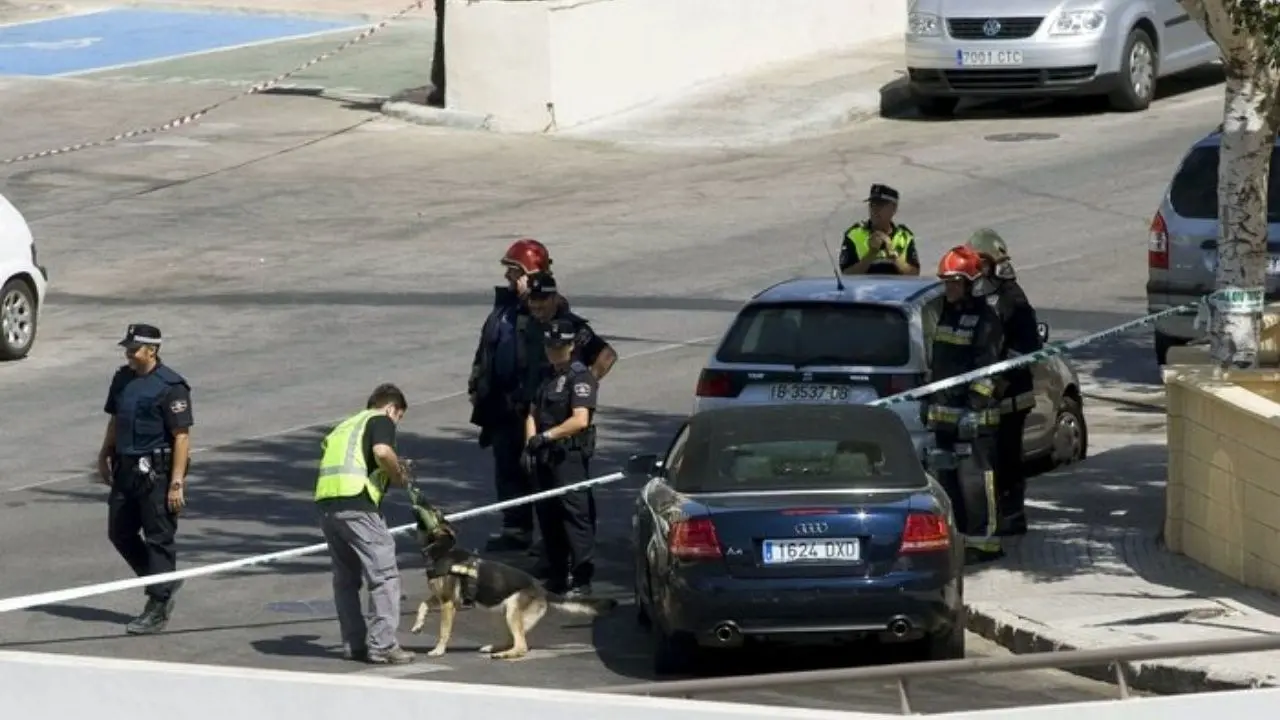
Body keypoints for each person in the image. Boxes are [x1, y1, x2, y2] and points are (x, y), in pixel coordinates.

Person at [97, 324, 193, 635]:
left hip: (158, 474)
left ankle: (158, 604)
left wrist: (177, 482)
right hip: (126, 469)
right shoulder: (122, 378)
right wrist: (103, 453)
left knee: (158, 538)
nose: (128, 353)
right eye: (127, 347)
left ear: (152, 350)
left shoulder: (171, 386)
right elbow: (115, 418)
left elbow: (181, 437)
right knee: (120, 532)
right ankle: (162, 580)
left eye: (134, 348)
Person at [315, 383, 416, 665]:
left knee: (346, 579)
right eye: (399, 417)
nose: (396, 424)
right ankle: (383, 645)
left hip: (327, 505)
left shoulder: (344, 426)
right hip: (358, 504)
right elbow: (383, 452)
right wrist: (398, 475)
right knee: (384, 575)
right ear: (391, 408)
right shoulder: (380, 419)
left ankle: (354, 643)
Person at [469, 238, 554, 553]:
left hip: (534, 408)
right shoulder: (502, 308)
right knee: (507, 470)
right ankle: (516, 529)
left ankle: (550, 538)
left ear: (531, 274)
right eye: (508, 270)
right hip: (502, 406)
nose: (508, 277)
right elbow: (488, 347)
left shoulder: (545, 305)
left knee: (538, 472)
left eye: (515, 271)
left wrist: (529, 300)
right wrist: (477, 382)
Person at [922, 247, 1004, 563]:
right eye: (947, 282)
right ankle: (961, 540)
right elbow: (940, 366)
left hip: (975, 420)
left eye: (955, 282)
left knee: (976, 484)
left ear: (971, 283)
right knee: (949, 483)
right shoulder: (945, 313)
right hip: (945, 418)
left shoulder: (986, 319)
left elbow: (988, 369)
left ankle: (986, 542)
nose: (950, 288)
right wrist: (930, 403)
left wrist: (974, 407)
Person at [966, 228, 1041, 536]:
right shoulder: (988, 294)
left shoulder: (1013, 298)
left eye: (978, 261)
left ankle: (1012, 515)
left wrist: (1000, 383)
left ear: (990, 261)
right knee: (994, 459)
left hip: (1012, 396)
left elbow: (1026, 348)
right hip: (995, 396)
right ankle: (1000, 512)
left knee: (1008, 458)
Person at [525, 318, 600, 597]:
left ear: (570, 346)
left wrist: (546, 437)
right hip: (544, 455)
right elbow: (532, 412)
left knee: (575, 515)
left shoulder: (580, 377)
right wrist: (530, 443)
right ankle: (557, 574)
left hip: (567, 454)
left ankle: (582, 578)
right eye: (550, 346)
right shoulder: (546, 376)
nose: (554, 351)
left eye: (560, 346)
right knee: (548, 514)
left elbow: (580, 420)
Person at [525, 271, 617, 380]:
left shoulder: (572, 327)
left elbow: (607, 355)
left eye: (542, 299)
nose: (536, 305)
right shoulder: (526, 322)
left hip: (559, 394)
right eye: (533, 300)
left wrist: (587, 383)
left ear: (555, 298)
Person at [839, 183, 921, 276]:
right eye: (872, 205)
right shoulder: (854, 235)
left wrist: (893, 255)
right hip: (865, 289)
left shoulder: (904, 237)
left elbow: (914, 274)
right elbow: (846, 274)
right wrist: (870, 255)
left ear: (894, 208)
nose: (875, 209)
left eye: (880, 205)